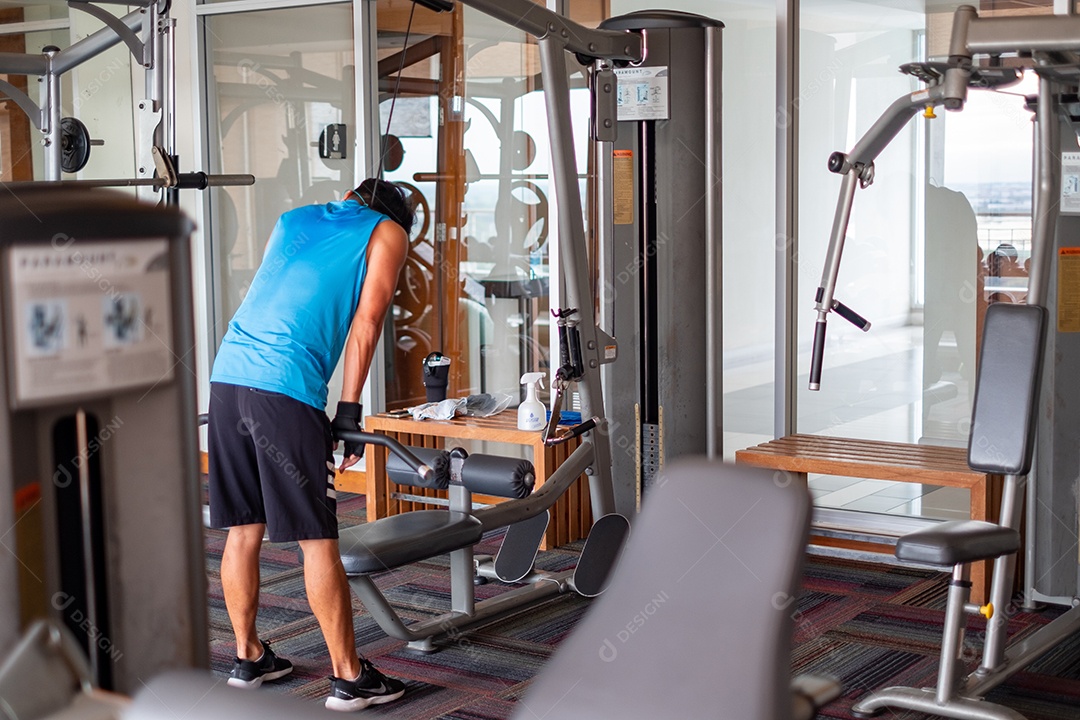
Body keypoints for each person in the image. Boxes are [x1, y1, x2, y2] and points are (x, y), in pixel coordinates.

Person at [207, 178, 413, 711]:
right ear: (393, 218)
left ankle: (248, 656)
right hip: (285, 390)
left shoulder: (294, 219)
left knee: (243, 528)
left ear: (348, 195)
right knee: (316, 536)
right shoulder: (388, 232)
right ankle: (349, 677)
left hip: (229, 377)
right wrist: (347, 412)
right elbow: (367, 323)